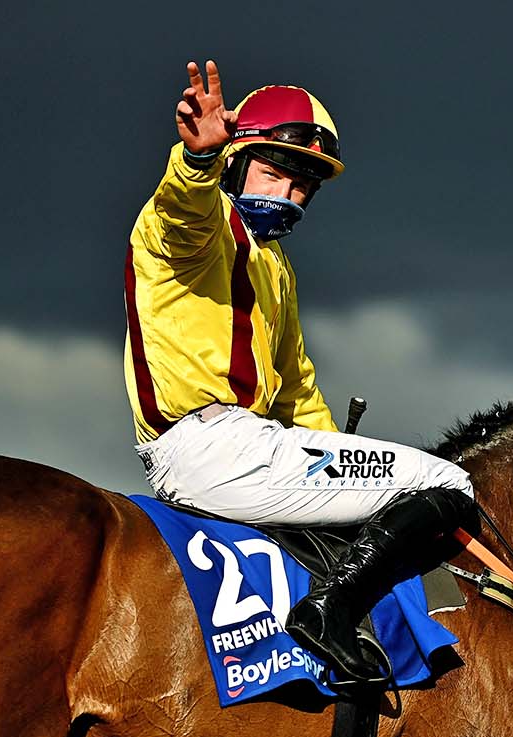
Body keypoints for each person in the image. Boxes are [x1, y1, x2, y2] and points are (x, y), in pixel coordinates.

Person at [123, 59, 474, 682]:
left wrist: (340, 454)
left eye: (304, 185)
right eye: (275, 172)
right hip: (213, 445)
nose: (289, 195)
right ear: (234, 162)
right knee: (449, 487)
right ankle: (328, 612)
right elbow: (184, 212)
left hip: (253, 444)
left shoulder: (274, 265)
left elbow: (298, 392)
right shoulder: (190, 228)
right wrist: (197, 160)